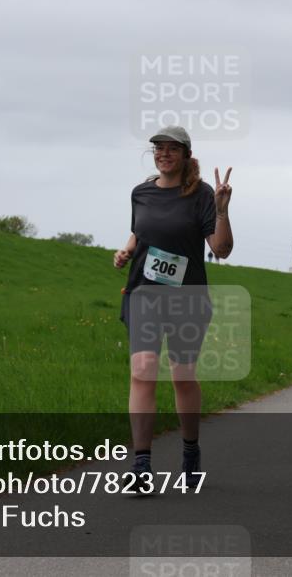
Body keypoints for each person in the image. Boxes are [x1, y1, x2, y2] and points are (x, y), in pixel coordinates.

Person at [112, 126, 234, 492]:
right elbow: (140, 231)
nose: (163, 153)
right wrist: (127, 250)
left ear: (185, 154)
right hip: (144, 294)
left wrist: (223, 212)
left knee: (182, 376)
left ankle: (190, 451)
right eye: (158, 148)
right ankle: (142, 464)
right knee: (144, 369)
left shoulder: (201, 195)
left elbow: (222, 248)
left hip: (187, 299)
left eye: (171, 149)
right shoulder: (141, 192)